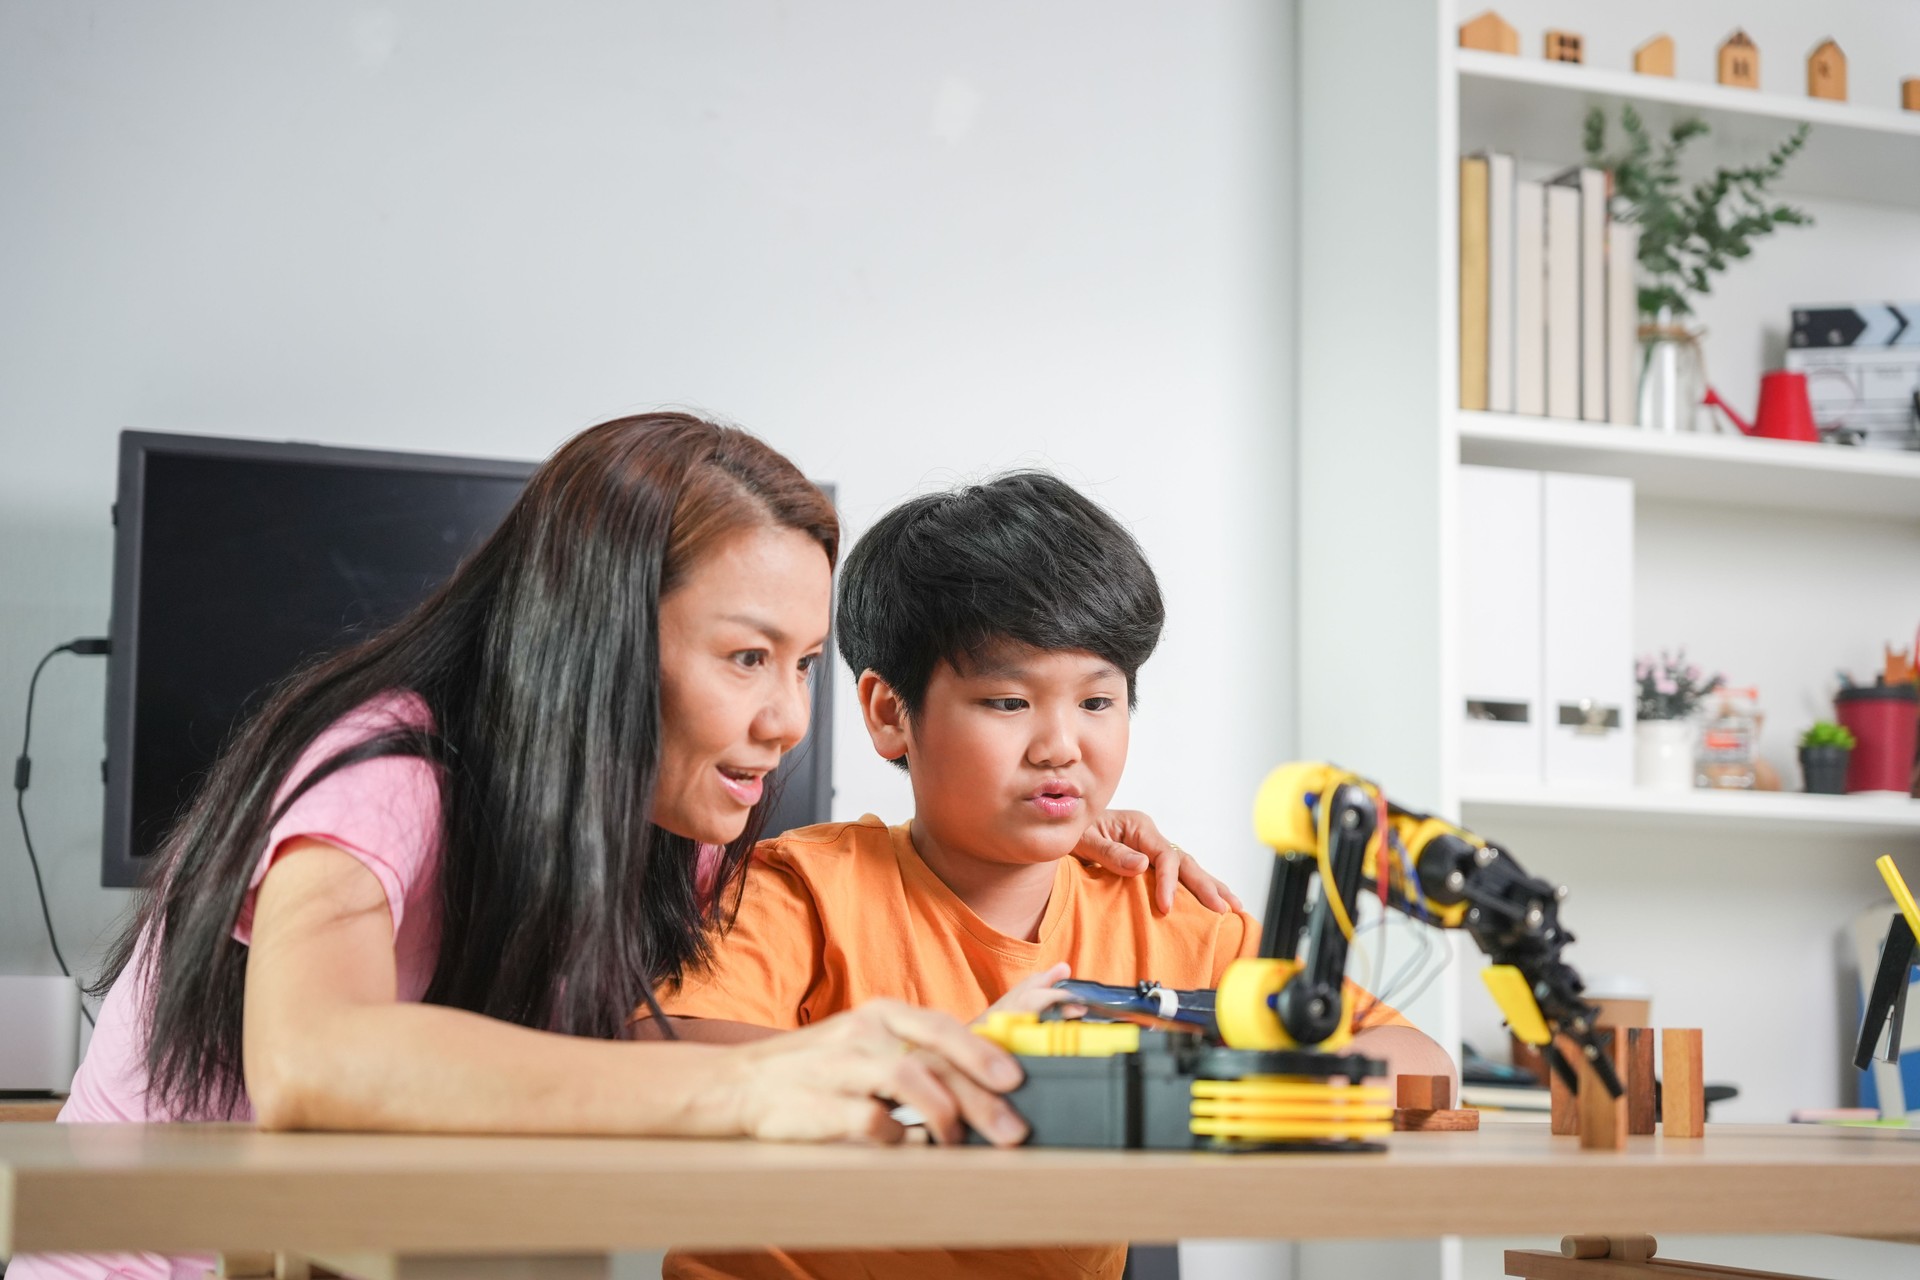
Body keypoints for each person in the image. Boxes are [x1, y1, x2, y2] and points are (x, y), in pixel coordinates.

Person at [10, 417, 1218, 1280]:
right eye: (747, 657)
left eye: (801, 666)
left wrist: (1069, 830)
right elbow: (313, 1062)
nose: (789, 720)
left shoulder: (671, 833)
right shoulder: (389, 767)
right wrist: (764, 1080)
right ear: (601, 636)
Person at [653, 472, 1453, 1280]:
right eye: (1008, 702)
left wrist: (1174, 1086)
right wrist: (967, 1067)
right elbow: (672, 1053)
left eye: (1099, 703)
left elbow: (1419, 1064)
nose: (1061, 745)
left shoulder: (1163, 909)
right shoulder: (802, 889)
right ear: (890, 713)